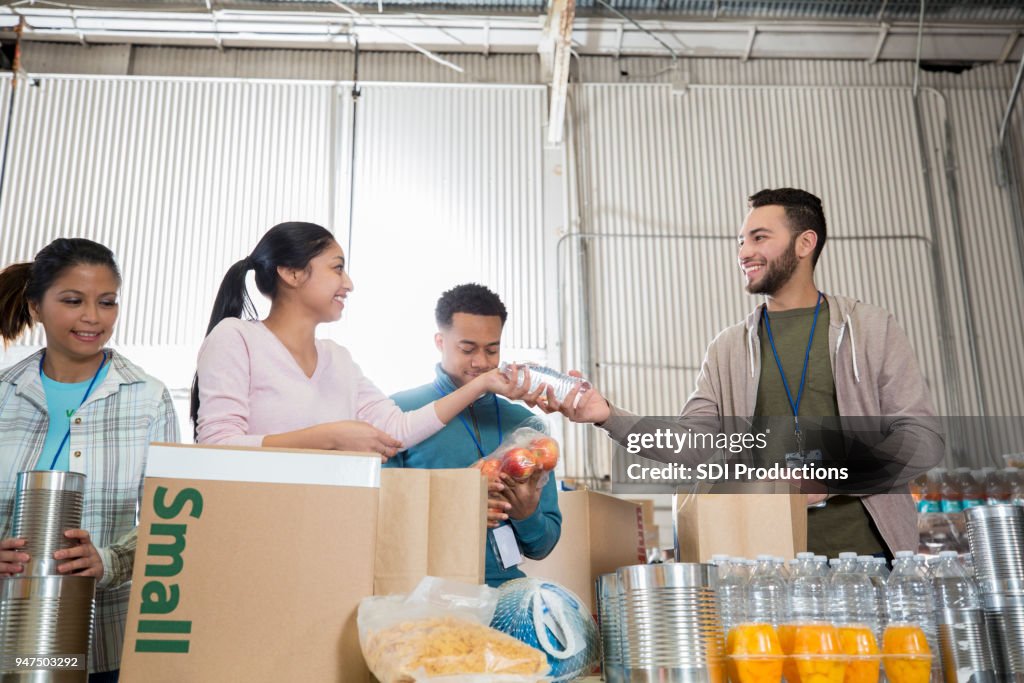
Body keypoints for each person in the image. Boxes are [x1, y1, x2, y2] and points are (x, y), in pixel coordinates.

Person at [536, 188, 943, 557]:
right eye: (741, 241)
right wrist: (608, 414)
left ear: (805, 243)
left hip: (866, 561)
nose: (744, 252)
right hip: (761, 564)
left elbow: (920, 439)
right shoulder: (728, 348)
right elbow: (692, 444)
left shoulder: (870, 329)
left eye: (759, 237)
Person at [0, 238, 180, 682]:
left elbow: (170, 521)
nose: (93, 318)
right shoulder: (4, 394)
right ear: (36, 305)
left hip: (103, 644)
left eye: (107, 302)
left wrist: (112, 560)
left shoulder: (149, 399)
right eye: (72, 301)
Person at [191, 223, 530, 455]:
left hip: (324, 528)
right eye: (337, 268)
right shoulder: (237, 338)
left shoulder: (338, 358)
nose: (349, 283)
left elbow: (398, 429)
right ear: (291, 273)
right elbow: (218, 447)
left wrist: (481, 384)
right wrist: (330, 438)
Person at [386, 284, 561, 587]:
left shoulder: (526, 425)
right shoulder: (399, 414)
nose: (481, 362)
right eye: (467, 349)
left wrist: (526, 515)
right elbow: (381, 519)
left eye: (492, 350)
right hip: (425, 596)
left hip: (506, 596)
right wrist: (456, 506)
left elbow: (543, 545)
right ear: (440, 341)